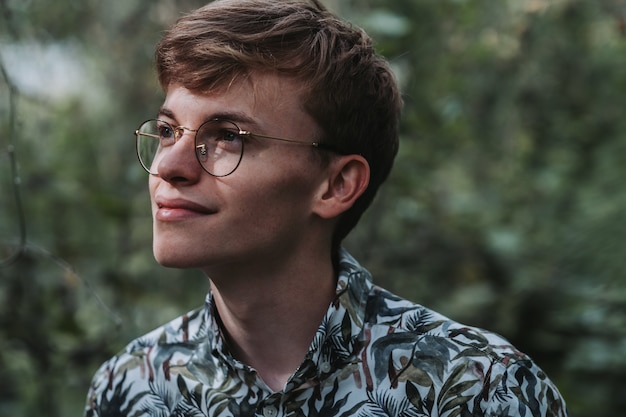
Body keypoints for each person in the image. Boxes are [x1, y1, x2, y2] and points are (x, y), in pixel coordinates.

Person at [85, 0, 569, 415]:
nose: (168, 165)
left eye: (227, 137)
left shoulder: (477, 390)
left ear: (336, 185)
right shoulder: (130, 387)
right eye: (168, 131)